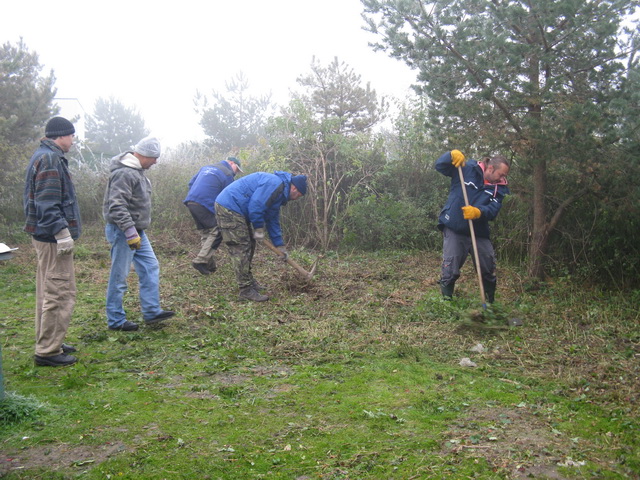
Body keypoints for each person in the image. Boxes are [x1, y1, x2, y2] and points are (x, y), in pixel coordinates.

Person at [23, 116, 80, 366]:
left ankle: (50, 340)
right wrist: (62, 233)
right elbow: (47, 203)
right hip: (52, 239)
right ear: (60, 136)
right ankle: (48, 351)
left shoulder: (45, 155)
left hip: (45, 238)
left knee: (48, 291)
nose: (73, 140)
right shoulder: (49, 159)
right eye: (71, 135)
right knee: (60, 292)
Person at [102, 136, 174, 331]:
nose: (156, 162)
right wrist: (129, 231)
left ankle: (152, 312)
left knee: (150, 266)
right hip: (123, 231)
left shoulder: (138, 172)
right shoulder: (125, 173)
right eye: (154, 157)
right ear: (144, 155)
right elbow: (116, 206)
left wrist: (136, 231)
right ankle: (115, 320)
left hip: (137, 231)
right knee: (120, 275)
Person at [214, 171, 307, 302]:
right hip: (229, 207)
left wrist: (279, 245)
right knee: (241, 247)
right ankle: (245, 290)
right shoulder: (275, 184)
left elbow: (272, 219)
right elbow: (255, 206)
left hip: (238, 210)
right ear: (294, 188)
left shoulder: (280, 193)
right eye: (299, 195)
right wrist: (258, 229)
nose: (297, 198)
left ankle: (249, 282)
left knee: (250, 244)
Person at [435, 149, 510, 303]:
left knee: (487, 267)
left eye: (504, 176)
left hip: (479, 231)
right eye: (500, 174)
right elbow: (440, 166)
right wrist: (449, 156)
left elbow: (493, 210)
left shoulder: (499, 187)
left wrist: (479, 212)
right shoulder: (466, 168)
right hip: (455, 226)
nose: (502, 178)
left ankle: (489, 304)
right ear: (490, 168)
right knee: (451, 266)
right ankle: (447, 303)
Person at [184, 156, 243, 275]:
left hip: (191, 202)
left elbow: (191, 183)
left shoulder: (206, 168)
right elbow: (229, 195)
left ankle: (209, 265)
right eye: (237, 169)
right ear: (231, 163)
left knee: (206, 232)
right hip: (205, 203)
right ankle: (200, 261)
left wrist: (196, 196)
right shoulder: (227, 174)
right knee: (219, 229)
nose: (236, 173)